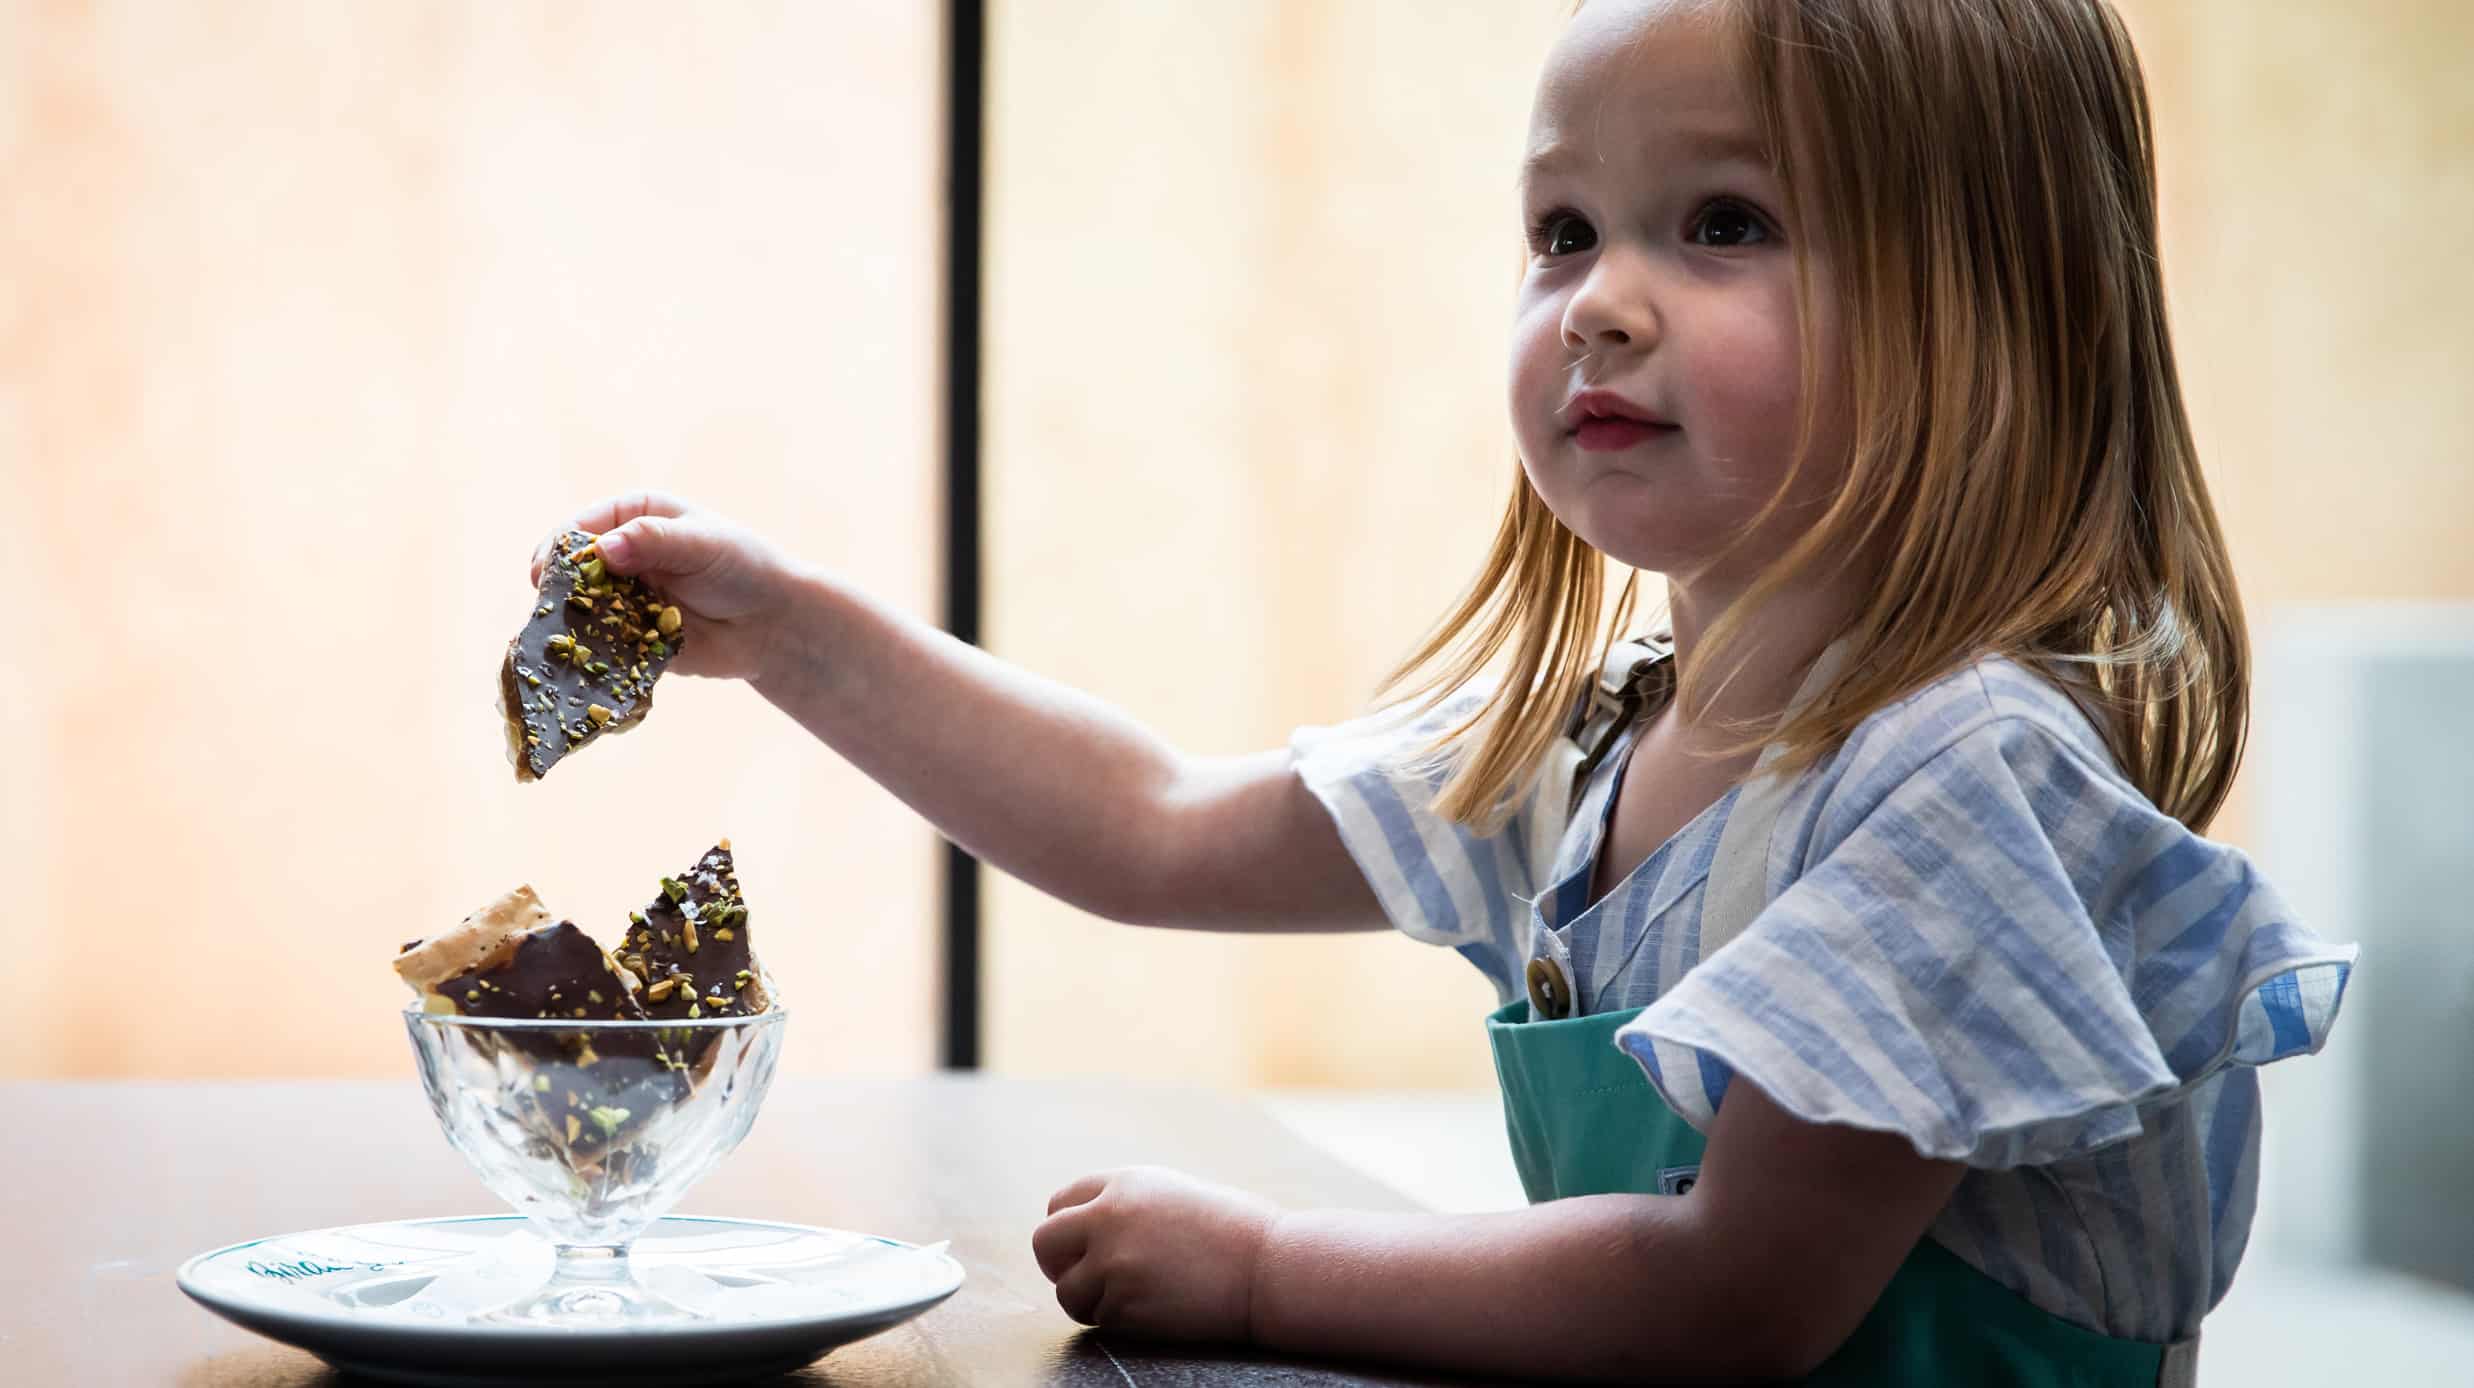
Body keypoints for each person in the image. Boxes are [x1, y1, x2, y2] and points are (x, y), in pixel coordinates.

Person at [531, 0, 2354, 1379]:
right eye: (1565, 232)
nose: (1600, 304)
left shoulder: (1963, 783)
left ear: (2004, 308)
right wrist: (791, 639)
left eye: (1720, 223)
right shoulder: (1590, 742)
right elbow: (1151, 829)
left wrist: (1260, 1271)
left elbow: (1730, 1298)